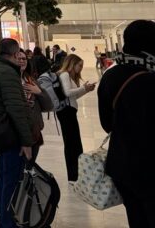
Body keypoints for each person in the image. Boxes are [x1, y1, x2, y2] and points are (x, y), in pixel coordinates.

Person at [98, 19, 155, 226]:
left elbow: (106, 123)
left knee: (137, 218)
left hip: (122, 165)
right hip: (150, 166)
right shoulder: (150, 77)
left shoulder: (110, 76)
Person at [0, 38, 34, 228]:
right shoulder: (8, 73)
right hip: (10, 133)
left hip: (0, 131)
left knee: (4, 178)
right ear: (14, 53)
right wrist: (26, 141)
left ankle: (3, 219)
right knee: (12, 180)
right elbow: (16, 109)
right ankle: (7, 223)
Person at [56, 54, 95, 184]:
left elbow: (73, 97)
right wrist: (83, 88)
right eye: (79, 65)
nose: (81, 68)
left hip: (70, 111)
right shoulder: (64, 75)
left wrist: (86, 90)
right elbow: (67, 93)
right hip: (66, 112)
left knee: (75, 143)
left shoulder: (69, 76)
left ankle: (76, 174)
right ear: (72, 64)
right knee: (71, 144)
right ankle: (72, 176)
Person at [16, 50, 53, 162]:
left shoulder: (31, 80)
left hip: (34, 130)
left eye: (24, 58)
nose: (22, 61)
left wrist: (39, 92)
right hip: (17, 132)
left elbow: (48, 106)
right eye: (18, 58)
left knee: (30, 165)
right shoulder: (11, 81)